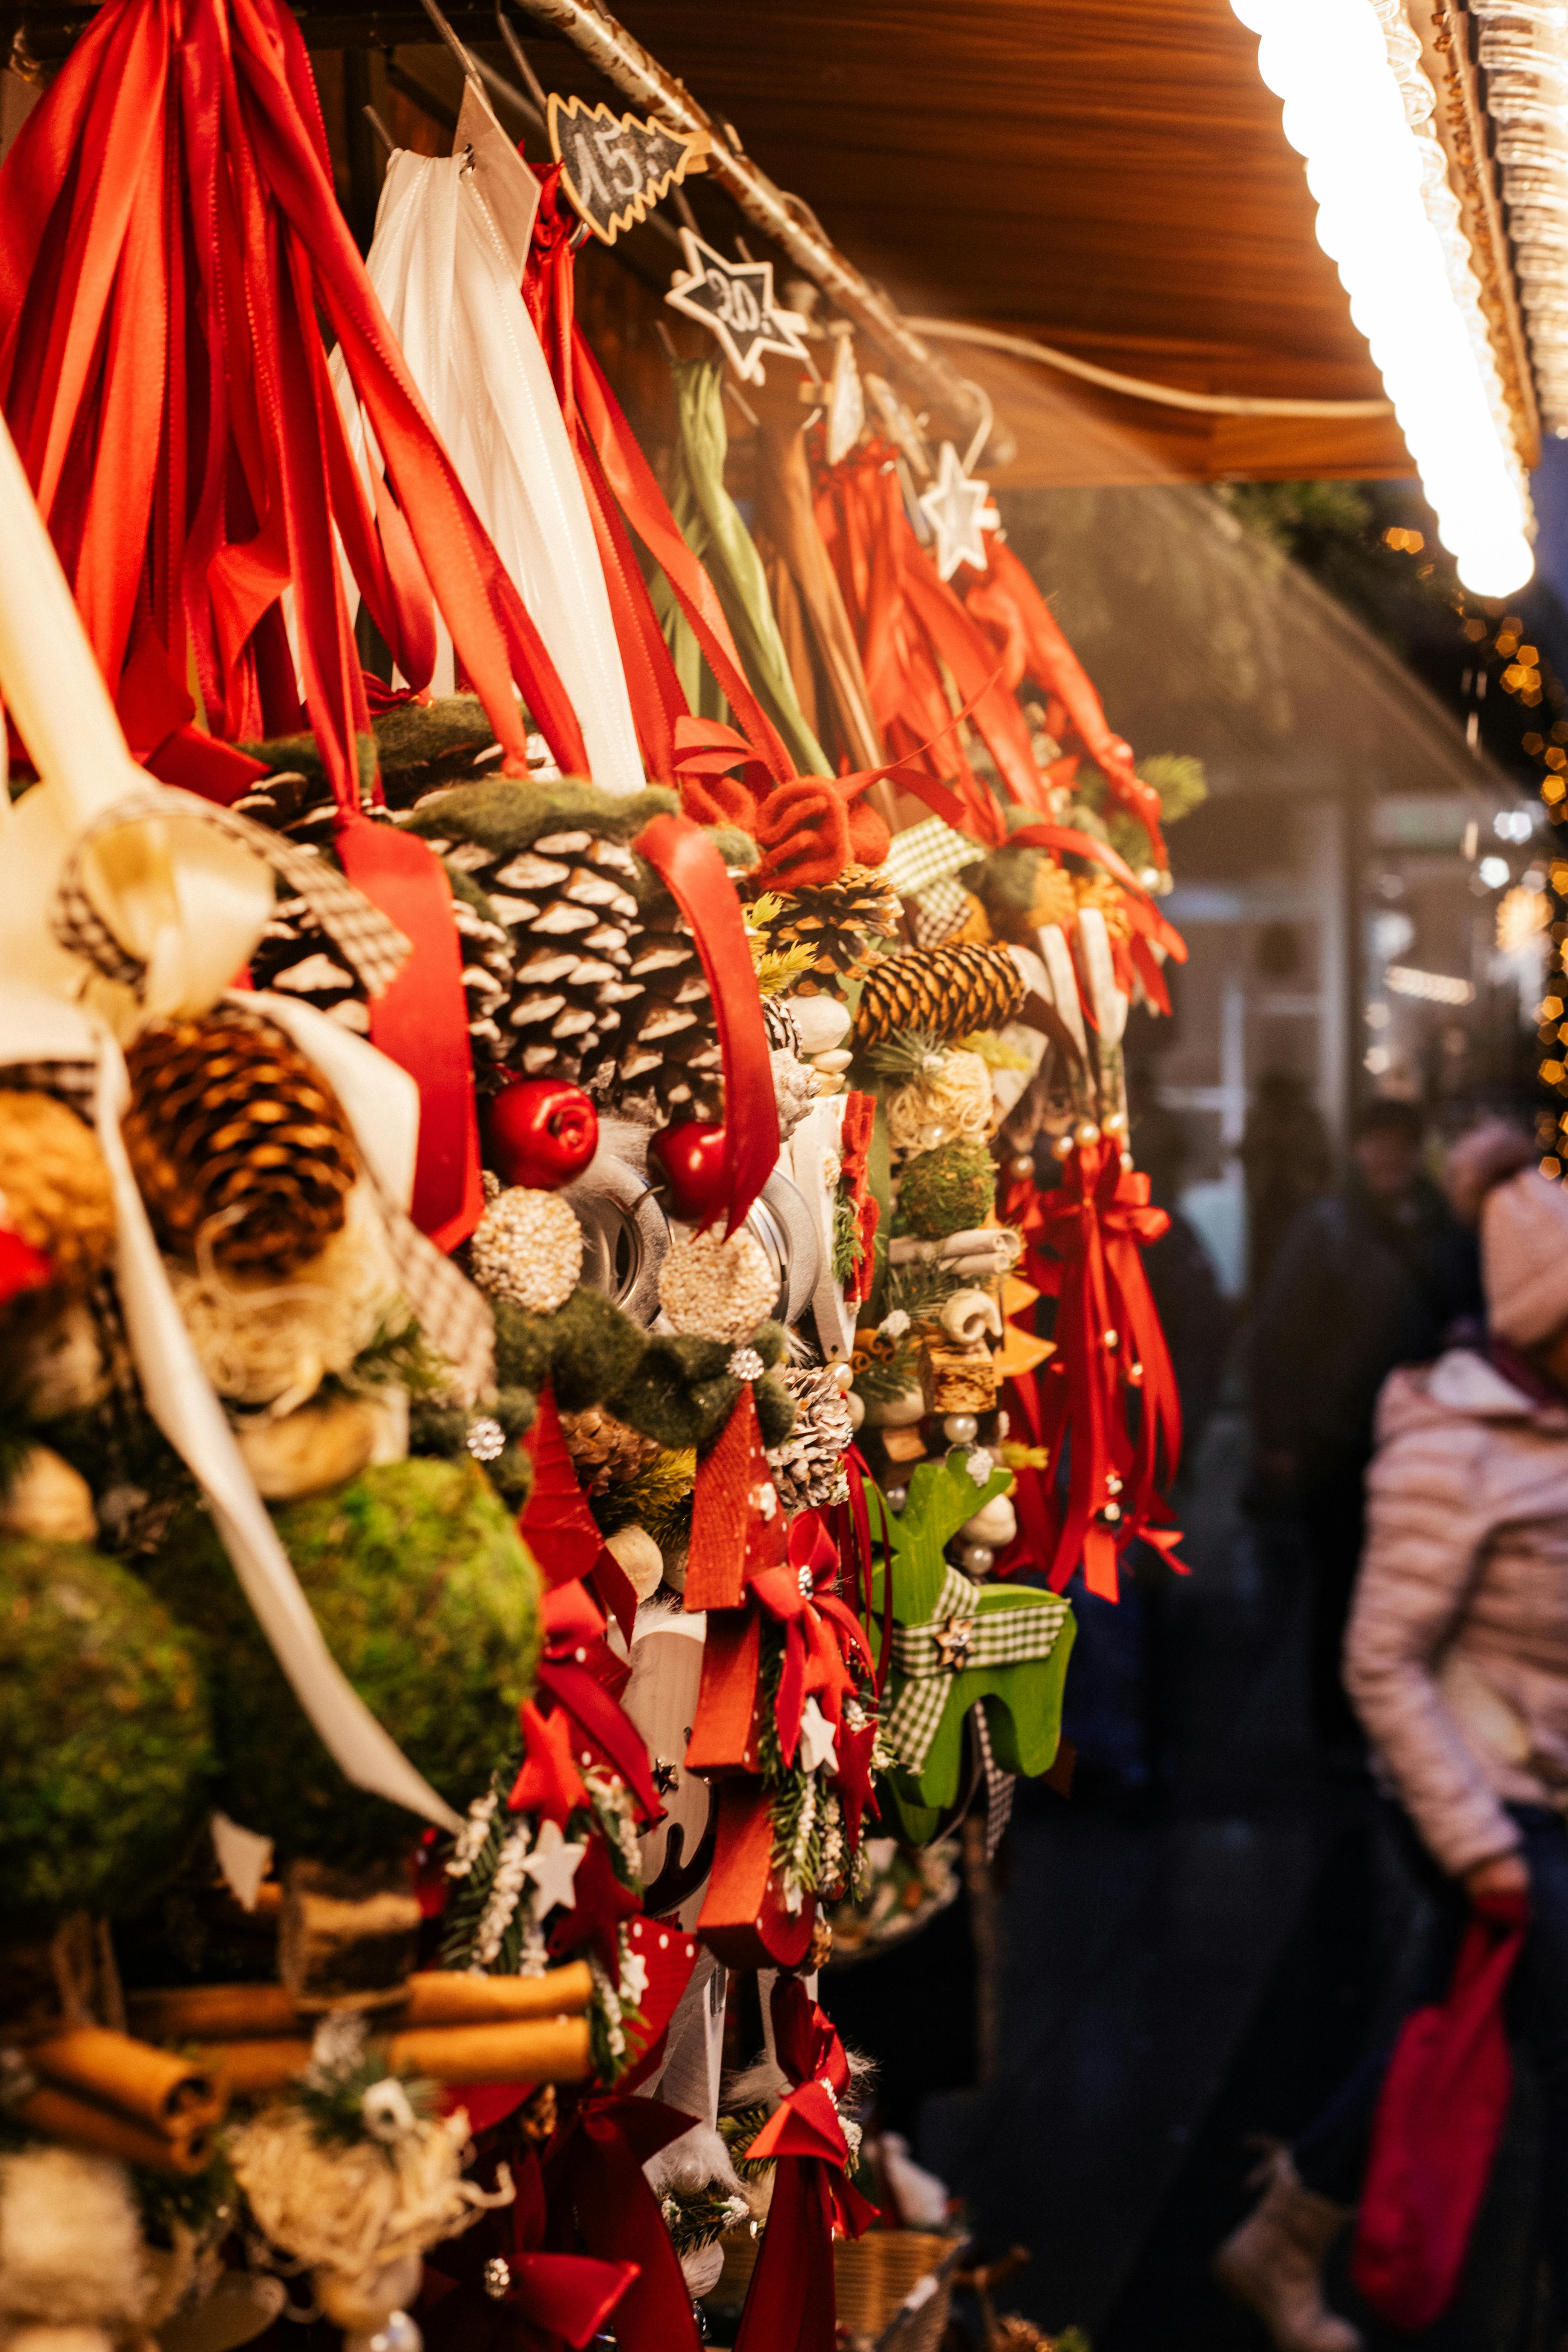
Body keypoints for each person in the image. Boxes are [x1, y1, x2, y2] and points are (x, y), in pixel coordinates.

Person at [1216, 1146, 1568, 2352]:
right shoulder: (1456, 1437)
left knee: (1444, 2025)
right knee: (1504, 2043)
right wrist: (1479, 1846)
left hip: (1532, 1793)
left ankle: (1290, 2228)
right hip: (1497, 1805)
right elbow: (1382, 1658)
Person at [1247, 1097, 1479, 1755]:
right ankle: (1341, 1728)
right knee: (1343, 1587)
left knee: (1425, 1588)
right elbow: (1277, 1336)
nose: (1391, 1156)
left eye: (1403, 1143)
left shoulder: (1445, 1227)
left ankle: (1412, 1726)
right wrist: (1280, 1437)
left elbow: (1473, 1308)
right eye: (1379, 1142)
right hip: (1341, 1442)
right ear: (1358, 1149)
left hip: (1430, 1442)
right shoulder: (1327, 1227)